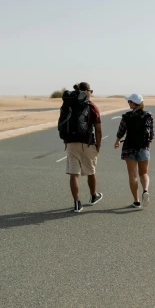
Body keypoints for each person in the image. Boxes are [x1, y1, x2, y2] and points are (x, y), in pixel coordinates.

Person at [58, 82, 103, 212]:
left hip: (70, 143)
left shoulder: (68, 104)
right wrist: (98, 146)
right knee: (91, 171)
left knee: (74, 174)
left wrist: (66, 140)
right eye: (91, 91)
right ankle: (93, 196)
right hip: (87, 143)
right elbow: (98, 130)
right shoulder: (91, 106)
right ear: (87, 91)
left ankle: (77, 203)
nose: (91, 93)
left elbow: (62, 123)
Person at [113, 93, 154, 208]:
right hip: (143, 147)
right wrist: (148, 145)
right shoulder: (148, 116)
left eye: (129, 101)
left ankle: (136, 201)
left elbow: (121, 131)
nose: (128, 103)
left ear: (134, 103)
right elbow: (151, 133)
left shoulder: (127, 116)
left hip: (129, 148)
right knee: (144, 173)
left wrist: (117, 141)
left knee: (132, 175)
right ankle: (145, 190)